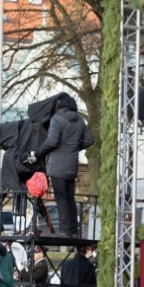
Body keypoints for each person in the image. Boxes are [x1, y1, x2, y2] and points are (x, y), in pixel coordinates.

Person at [33, 93, 94, 236]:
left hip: (57, 165)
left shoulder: (57, 119)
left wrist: (40, 152)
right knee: (70, 197)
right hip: (71, 165)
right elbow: (89, 140)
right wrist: (73, 147)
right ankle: (73, 229)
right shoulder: (79, 120)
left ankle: (65, 229)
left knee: (60, 197)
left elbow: (52, 141)